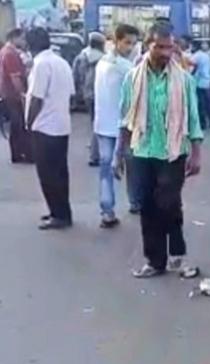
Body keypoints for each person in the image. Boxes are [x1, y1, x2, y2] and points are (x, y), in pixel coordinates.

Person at [117, 22, 203, 278]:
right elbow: (125, 118)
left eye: (169, 47)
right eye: (160, 47)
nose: (166, 52)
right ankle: (155, 261)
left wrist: (197, 153)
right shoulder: (132, 78)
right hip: (141, 151)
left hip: (172, 152)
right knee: (147, 207)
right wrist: (119, 153)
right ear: (147, 46)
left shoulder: (184, 80)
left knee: (169, 203)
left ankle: (177, 255)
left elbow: (194, 119)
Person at [25, 27, 75, 230]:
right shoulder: (61, 62)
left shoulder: (41, 64)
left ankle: (59, 215)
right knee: (60, 172)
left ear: (30, 46)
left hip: (45, 126)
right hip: (61, 125)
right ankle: (62, 211)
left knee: (47, 174)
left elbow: (36, 97)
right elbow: (71, 94)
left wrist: (28, 122)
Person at [93, 23, 138, 228]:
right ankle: (136, 202)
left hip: (102, 125)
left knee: (106, 170)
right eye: (127, 42)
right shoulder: (126, 68)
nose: (130, 47)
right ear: (117, 40)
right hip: (123, 126)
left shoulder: (102, 63)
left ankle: (107, 211)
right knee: (133, 166)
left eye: (133, 43)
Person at [73, 31, 105, 167]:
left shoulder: (81, 56)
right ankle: (95, 154)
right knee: (98, 123)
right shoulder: (104, 58)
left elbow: (75, 75)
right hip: (100, 93)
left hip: (87, 94)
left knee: (93, 121)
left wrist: (78, 91)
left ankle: (94, 148)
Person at [0, 28, 33, 164]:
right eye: (22, 38)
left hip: (7, 93)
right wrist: (22, 94)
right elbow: (15, 77)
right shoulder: (10, 54)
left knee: (16, 124)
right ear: (14, 38)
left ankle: (18, 153)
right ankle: (19, 153)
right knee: (18, 124)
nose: (24, 42)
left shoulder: (5, 52)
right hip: (12, 94)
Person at [191, 40, 210, 129]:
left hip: (198, 82)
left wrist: (191, 76)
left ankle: (203, 123)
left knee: (200, 104)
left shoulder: (195, 56)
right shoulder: (206, 56)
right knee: (209, 103)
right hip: (207, 81)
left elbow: (193, 68)